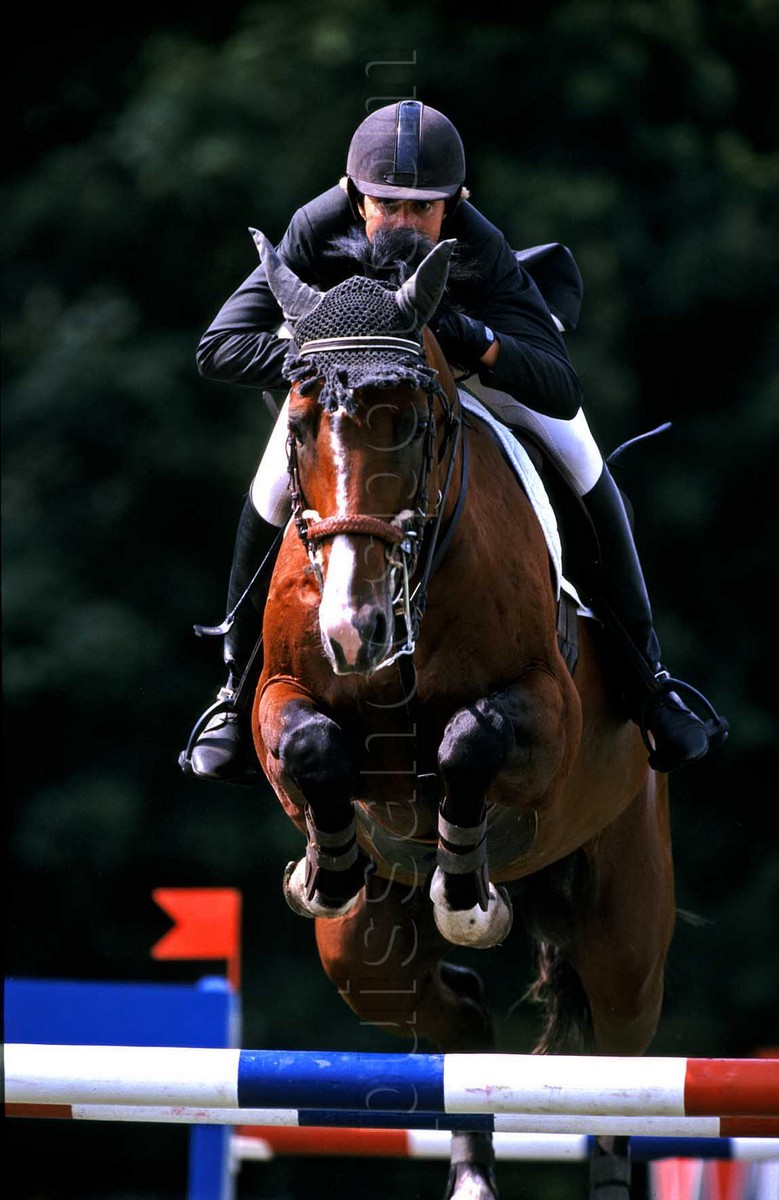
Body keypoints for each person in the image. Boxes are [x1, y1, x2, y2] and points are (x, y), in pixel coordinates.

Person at [179, 99, 727, 785]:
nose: (405, 222)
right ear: (355, 196)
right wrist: (327, 358)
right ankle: (234, 693)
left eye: (425, 208)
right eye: (388, 205)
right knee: (268, 487)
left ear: (456, 202)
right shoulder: (314, 226)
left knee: (583, 463)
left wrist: (476, 340)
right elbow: (219, 346)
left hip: (467, 375)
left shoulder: (479, 242)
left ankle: (649, 680)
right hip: (352, 391)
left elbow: (559, 385)